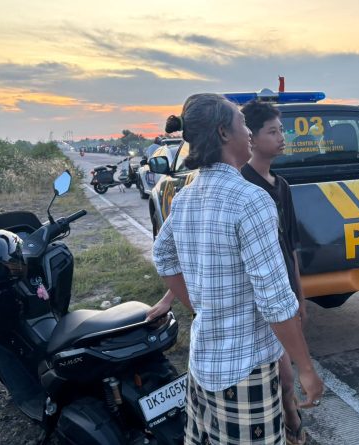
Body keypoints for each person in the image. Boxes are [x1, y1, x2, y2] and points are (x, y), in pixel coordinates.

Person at [150, 93, 323, 445]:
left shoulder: (185, 197)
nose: (248, 132)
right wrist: (306, 367)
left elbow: (163, 257)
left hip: (203, 366)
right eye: (242, 123)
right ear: (223, 133)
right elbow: (276, 301)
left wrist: (201, 306)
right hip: (246, 373)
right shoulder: (251, 199)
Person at [239, 99, 308, 445]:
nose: (281, 137)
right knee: (283, 373)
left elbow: (290, 245)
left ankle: (289, 419)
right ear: (250, 137)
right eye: (272, 131)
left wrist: (300, 295)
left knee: (284, 369)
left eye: (281, 130)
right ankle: (291, 421)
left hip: (285, 292)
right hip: (257, 296)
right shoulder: (243, 184)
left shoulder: (281, 185)